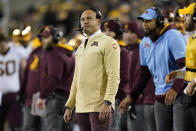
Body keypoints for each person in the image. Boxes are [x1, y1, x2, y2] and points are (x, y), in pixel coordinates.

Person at [118, 6, 187, 131]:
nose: (144, 24)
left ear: (160, 21)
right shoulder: (145, 42)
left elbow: (185, 65)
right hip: (159, 96)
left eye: (148, 21)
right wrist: (132, 96)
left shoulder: (173, 36)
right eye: (143, 21)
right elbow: (144, 74)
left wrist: (175, 88)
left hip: (180, 94)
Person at [63, 8, 120, 131]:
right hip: (81, 107)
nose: (85, 22)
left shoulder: (108, 42)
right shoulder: (80, 47)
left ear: (98, 21)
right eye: (82, 19)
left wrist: (108, 102)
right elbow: (76, 79)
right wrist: (70, 105)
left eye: (89, 18)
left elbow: (114, 75)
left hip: (99, 106)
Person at [35, 26, 75, 131]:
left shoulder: (54, 54)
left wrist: (42, 96)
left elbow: (54, 78)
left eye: (46, 38)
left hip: (56, 99)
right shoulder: (69, 53)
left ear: (55, 38)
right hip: (70, 99)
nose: (43, 41)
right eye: (42, 38)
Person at [120, 21, 156, 131]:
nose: (128, 35)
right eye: (125, 32)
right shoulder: (123, 50)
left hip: (139, 99)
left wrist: (139, 92)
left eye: (131, 32)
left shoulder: (142, 49)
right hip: (123, 98)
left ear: (138, 34)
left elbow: (145, 74)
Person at [166, 3, 196, 130]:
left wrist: (193, 82)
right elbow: (191, 68)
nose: (184, 19)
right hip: (190, 95)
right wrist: (177, 73)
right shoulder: (192, 38)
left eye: (187, 16)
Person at [101, 19, 130, 131]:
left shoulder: (122, 50)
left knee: (111, 127)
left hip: (114, 97)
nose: (107, 33)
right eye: (104, 30)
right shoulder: (101, 49)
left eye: (110, 30)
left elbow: (123, 76)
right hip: (99, 96)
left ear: (117, 32)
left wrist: (113, 95)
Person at [0, 33, 26, 131]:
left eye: (2, 45)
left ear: (7, 43)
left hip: (14, 93)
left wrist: (24, 88)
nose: (0, 48)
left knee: (15, 123)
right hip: (0, 94)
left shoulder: (16, 52)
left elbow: (25, 70)